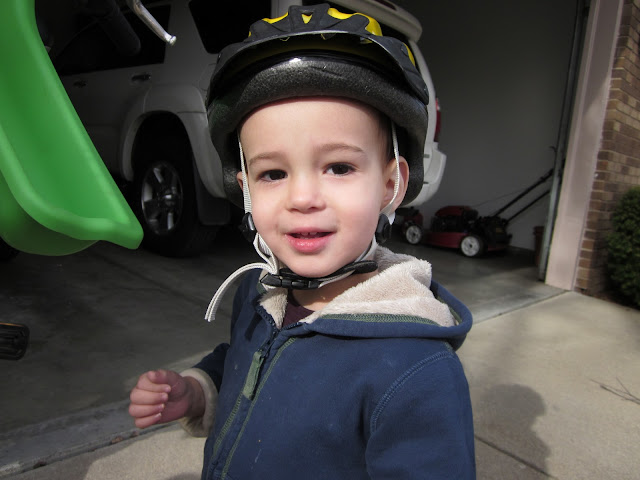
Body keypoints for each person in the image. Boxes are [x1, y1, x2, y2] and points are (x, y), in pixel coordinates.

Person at [129, 4, 475, 479]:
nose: (302, 198)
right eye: (273, 173)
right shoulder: (259, 294)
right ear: (245, 190)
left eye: (339, 167)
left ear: (390, 184)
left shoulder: (416, 371)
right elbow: (248, 366)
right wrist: (198, 391)